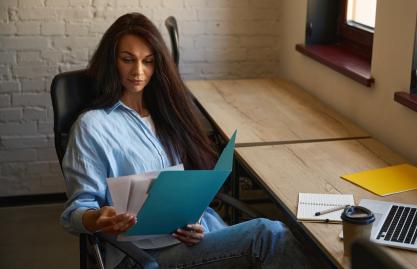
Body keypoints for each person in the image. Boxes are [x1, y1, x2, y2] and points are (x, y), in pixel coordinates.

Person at [60, 12, 317, 269]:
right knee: (269, 236)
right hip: (142, 256)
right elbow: (74, 213)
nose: (138, 71)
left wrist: (196, 224)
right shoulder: (93, 125)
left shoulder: (166, 114)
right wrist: (97, 219)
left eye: (148, 61)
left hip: (192, 241)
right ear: (111, 61)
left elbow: (183, 195)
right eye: (128, 60)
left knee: (286, 237)